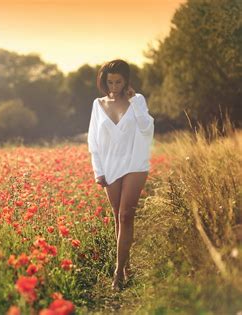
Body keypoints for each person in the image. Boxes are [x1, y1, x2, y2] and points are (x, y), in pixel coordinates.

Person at [87, 59, 154, 291]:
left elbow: (147, 128)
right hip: (110, 165)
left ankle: (118, 273)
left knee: (126, 216)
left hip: (135, 163)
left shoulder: (138, 100)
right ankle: (126, 264)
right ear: (104, 82)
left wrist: (135, 102)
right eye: (109, 82)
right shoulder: (98, 104)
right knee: (117, 217)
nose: (113, 86)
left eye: (118, 81)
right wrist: (99, 171)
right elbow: (93, 141)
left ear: (126, 81)